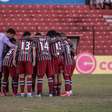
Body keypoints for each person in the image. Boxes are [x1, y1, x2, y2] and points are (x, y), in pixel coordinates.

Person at [13, 31, 36, 97]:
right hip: (28, 59)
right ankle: (29, 93)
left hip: (20, 59)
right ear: (28, 35)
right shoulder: (32, 41)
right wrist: (34, 60)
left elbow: (15, 50)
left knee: (21, 76)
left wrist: (14, 59)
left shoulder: (19, 41)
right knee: (29, 76)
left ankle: (22, 93)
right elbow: (34, 51)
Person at [0, 28, 16, 95]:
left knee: (4, 76)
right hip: (0, 57)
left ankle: (4, 91)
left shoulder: (0, 34)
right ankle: (2, 92)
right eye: (12, 36)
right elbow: (10, 45)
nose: (11, 37)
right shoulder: (5, 37)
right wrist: (19, 46)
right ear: (9, 33)